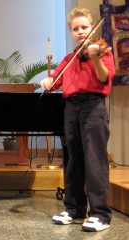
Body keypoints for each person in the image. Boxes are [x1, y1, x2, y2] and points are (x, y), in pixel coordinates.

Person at [40, 8, 115, 232]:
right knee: (73, 160)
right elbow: (55, 80)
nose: (80, 32)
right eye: (76, 29)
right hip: (71, 108)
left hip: (93, 106)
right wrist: (48, 80)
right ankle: (74, 209)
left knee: (95, 160)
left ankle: (100, 213)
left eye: (84, 27)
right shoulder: (70, 57)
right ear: (71, 32)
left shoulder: (102, 52)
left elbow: (103, 77)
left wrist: (95, 57)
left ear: (93, 27)